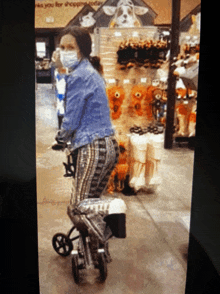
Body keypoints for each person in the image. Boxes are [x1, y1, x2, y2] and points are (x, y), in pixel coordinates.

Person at [52, 26, 119, 206]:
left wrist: (60, 138)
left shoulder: (80, 75)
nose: (65, 52)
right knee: (92, 203)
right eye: (62, 47)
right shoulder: (91, 71)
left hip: (93, 147)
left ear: (83, 48)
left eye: (71, 48)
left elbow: (71, 118)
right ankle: (102, 225)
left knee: (79, 208)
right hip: (107, 145)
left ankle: (114, 213)